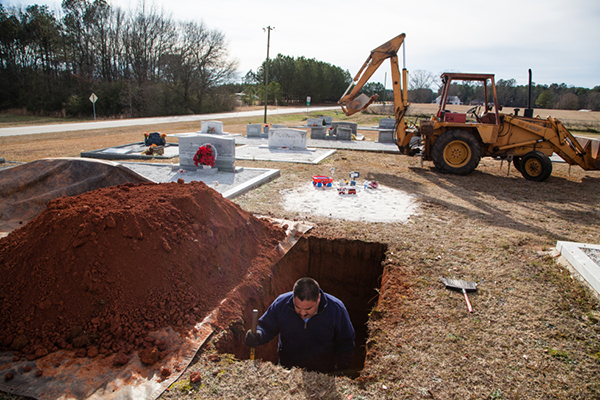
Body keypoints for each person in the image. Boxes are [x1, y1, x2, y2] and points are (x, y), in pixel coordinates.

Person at [245, 277, 355, 374]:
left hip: (322, 372)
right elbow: (266, 327)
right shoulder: (281, 304)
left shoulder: (336, 309)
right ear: (293, 297)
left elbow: (346, 342)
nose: (302, 313)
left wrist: (341, 370)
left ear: (319, 298)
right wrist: (258, 335)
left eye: (308, 309)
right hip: (288, 370)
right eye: (298, 307)